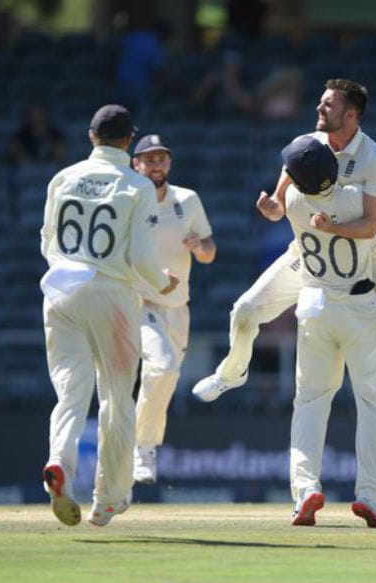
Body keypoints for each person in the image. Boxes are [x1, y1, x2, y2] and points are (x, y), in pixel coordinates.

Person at [191, 78, 376, 407]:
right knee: (244, 310)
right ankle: (231, 373)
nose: (319, 108)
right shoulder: (307, 146)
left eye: (328, 104)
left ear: (351, 115)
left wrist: (335, 224)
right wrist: (274, 207)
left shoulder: (374, 157)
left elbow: (370, 223)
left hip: (364, 258)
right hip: (308, 257)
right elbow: (279, 205)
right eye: (320, 101)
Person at [40, 104, 178, 527]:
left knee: (70, 392)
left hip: (60, 291)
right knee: (118, 398)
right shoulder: (136, 185)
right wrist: (163, 282)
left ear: (90, 137)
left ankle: (59, 461)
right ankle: (108, 498)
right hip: (112, 295)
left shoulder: (62, 178)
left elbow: (47, 242)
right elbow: (139, 256)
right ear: (129, 141)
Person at [279, 135, 376, 528]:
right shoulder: (355, 201)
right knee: (375, 403)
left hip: (314, 305)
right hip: (359, 305)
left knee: (310, 402)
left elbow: (291, 188)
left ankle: (305, 490)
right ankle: (370, 498)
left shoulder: (295, 202)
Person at [131, 134, 216, 484]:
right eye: (148, 159)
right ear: (135, 164)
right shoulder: (129, 200)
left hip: (177, 308)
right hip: (139, 302)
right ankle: (143, 450)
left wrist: (199, 247)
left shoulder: (187, 200)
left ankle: (135, 451)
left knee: (167, 375)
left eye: (161, 159)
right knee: (162, 367)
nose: (155, 165)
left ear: (169, 163)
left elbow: (210, 253)